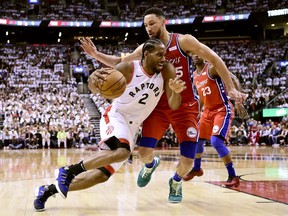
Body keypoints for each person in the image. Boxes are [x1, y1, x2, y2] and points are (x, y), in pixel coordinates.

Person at [79, 7, 247, 203]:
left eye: (152, 23)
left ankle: (176, 181)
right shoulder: (146, 49)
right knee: (143, 153)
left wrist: (230, 88)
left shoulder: (183, 41)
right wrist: (96, 54)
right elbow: (119, 62)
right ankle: (150, 165)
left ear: (163, 21)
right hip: (157, 106)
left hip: (185, 107)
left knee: (188, 161)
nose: (148, 28)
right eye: (145, 25)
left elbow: (214, 59)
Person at [33, 38, 186, 212]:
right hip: (116, 116)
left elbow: (174, 104)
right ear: (146, 54)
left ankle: (46, 190)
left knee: (100, 176)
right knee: (122, 152)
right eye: (159, 54)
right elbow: (95, 86)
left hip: (133, 127)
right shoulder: (129, 68)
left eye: (164, 54)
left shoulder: (166, 70)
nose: (163, 58)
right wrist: (92, 79)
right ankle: (69, 170)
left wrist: (175, 92)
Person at [182, 55, 247, 186]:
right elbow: (201, 96)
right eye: (192, 54)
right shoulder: (194, 75)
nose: (195, 56)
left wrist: (238, 99)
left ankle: (233, 175)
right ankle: (196, 168)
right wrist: (197, 112)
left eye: (198, 53)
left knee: (216, 141)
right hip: (207, 111)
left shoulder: (212, 68)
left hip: (221, 109)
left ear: (203, 55)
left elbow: (232, 78)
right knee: (197, 140)